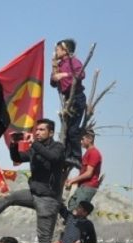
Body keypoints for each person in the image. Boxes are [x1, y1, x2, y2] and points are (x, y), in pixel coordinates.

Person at [0, 119, 65, 243]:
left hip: (48, 199)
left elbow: (53, 158)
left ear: (51, 132)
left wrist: (33, 142)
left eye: (42, 130)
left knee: (44, 238)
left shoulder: (58, 147)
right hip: (34, 193)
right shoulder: (36, 148)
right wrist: (14, 144)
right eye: (37, 130)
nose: (38, 132)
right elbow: (17, 157)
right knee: (9, 197)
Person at [50, 39, 87, 168]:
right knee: (66, 131)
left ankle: (76, 157)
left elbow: (81, 74)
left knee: (72, 131)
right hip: (67, 101)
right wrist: (55, 72)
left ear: (65, 50)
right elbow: (53, 83)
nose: (56, 52)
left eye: (58, 49)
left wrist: (64, 75)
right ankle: (66, 156)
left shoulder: (74, 62)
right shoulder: (59, 65)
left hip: (76, 98)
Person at [65, 130, 102, 210]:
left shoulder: (94, 153)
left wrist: (72, 180)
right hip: (82, 186)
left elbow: (89, 173)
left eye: (82, 139)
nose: (80, 141)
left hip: (87, 187)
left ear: (90, 139)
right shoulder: (87, 152)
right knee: (71, 206)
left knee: (77, 211)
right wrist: (72, 181)